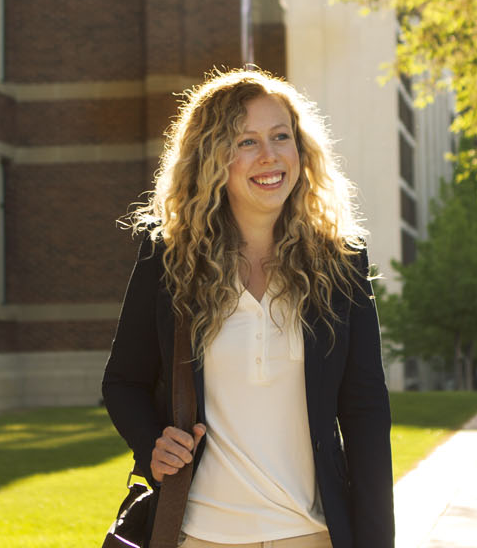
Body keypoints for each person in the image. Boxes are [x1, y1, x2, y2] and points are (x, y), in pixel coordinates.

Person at [103, 69, 393, 548]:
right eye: (246, 142)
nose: (270, 155)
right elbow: (123, 382)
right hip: (197, 535)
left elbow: (365, 410)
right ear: (213, 158)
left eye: (281, 137)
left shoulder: (340, 262)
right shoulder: (170, 259)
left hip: (312, 533)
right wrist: (153, 442)